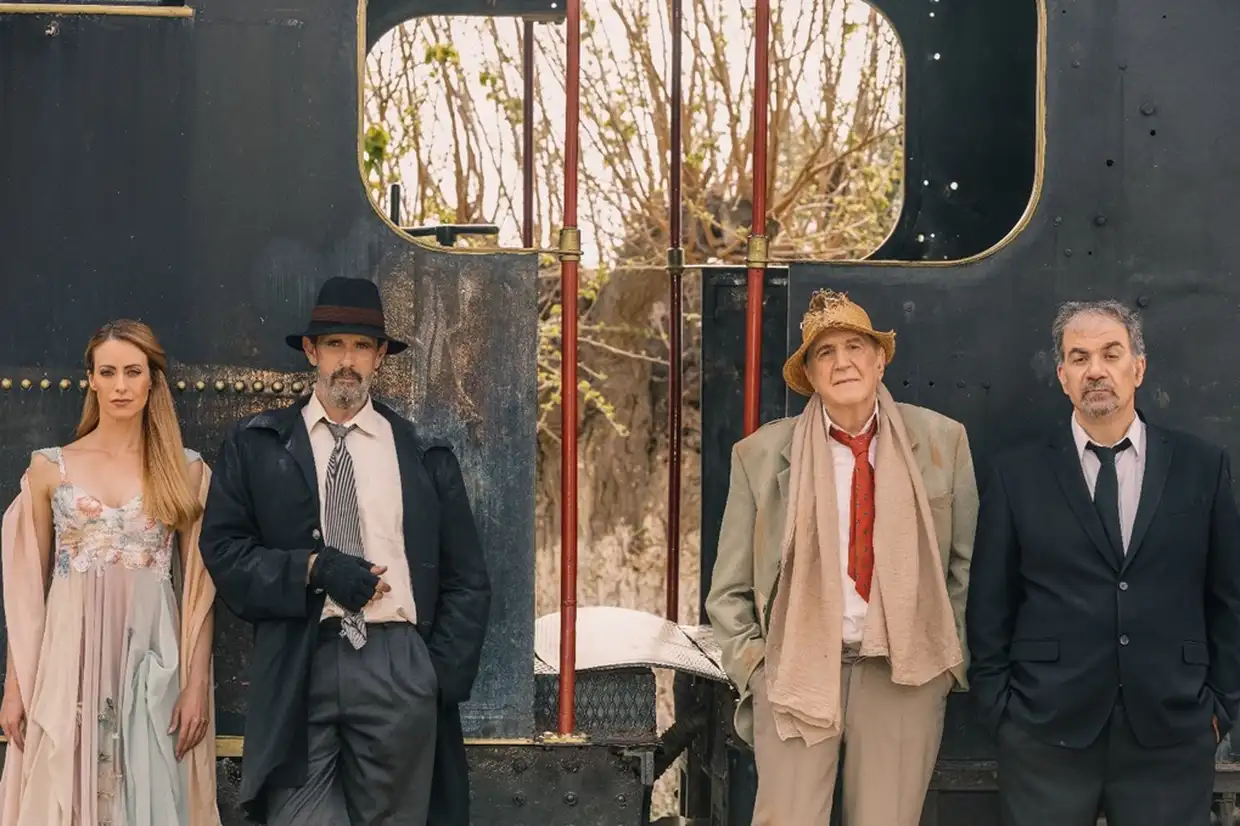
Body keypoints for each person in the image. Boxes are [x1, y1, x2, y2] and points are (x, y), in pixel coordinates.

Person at [199, 276, 490, 826]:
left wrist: (432, 678)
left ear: (380, 357)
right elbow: (225, 552)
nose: (348, 361)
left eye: (361, 346)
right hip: (299, 659)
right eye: (335, 344)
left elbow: (467, 578)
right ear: (312, 352)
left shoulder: (423, 453)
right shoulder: (257, 445)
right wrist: (312, 568)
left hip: (396, 661)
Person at [706, 289, 977, 826]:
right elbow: (728, 589)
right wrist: (757, 669)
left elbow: (961, 567)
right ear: (810, 374)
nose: (842, 362)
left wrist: (943, 667)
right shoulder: (760, 455)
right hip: (796, 669)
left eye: (855, 347)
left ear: (880, 361)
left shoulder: (942, 442)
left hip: (903, 673)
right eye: (825, 353)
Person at [967, 299, 1240, 825]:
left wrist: (1220, 708)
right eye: (1079, 357)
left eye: (1111, 354)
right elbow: (989, 606)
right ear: (1062, 376)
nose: (1095, 370)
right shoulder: (1016, 475)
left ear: (1138, 367)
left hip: (1172, 733)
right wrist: (1002, 713)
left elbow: (1228, 596)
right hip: (1044, 735)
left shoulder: (1201, 468)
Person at [0, 320, 220, 826]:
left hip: (152, 655)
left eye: (133, 372)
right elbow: (25, 590)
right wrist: (14, 686)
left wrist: (196, 684)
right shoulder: (49, 469)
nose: (120, 385)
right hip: (69, 655)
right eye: (108, 372)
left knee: (148, 782)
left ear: (152, 380)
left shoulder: (184, 470)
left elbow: (199, 591)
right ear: (92, 380)